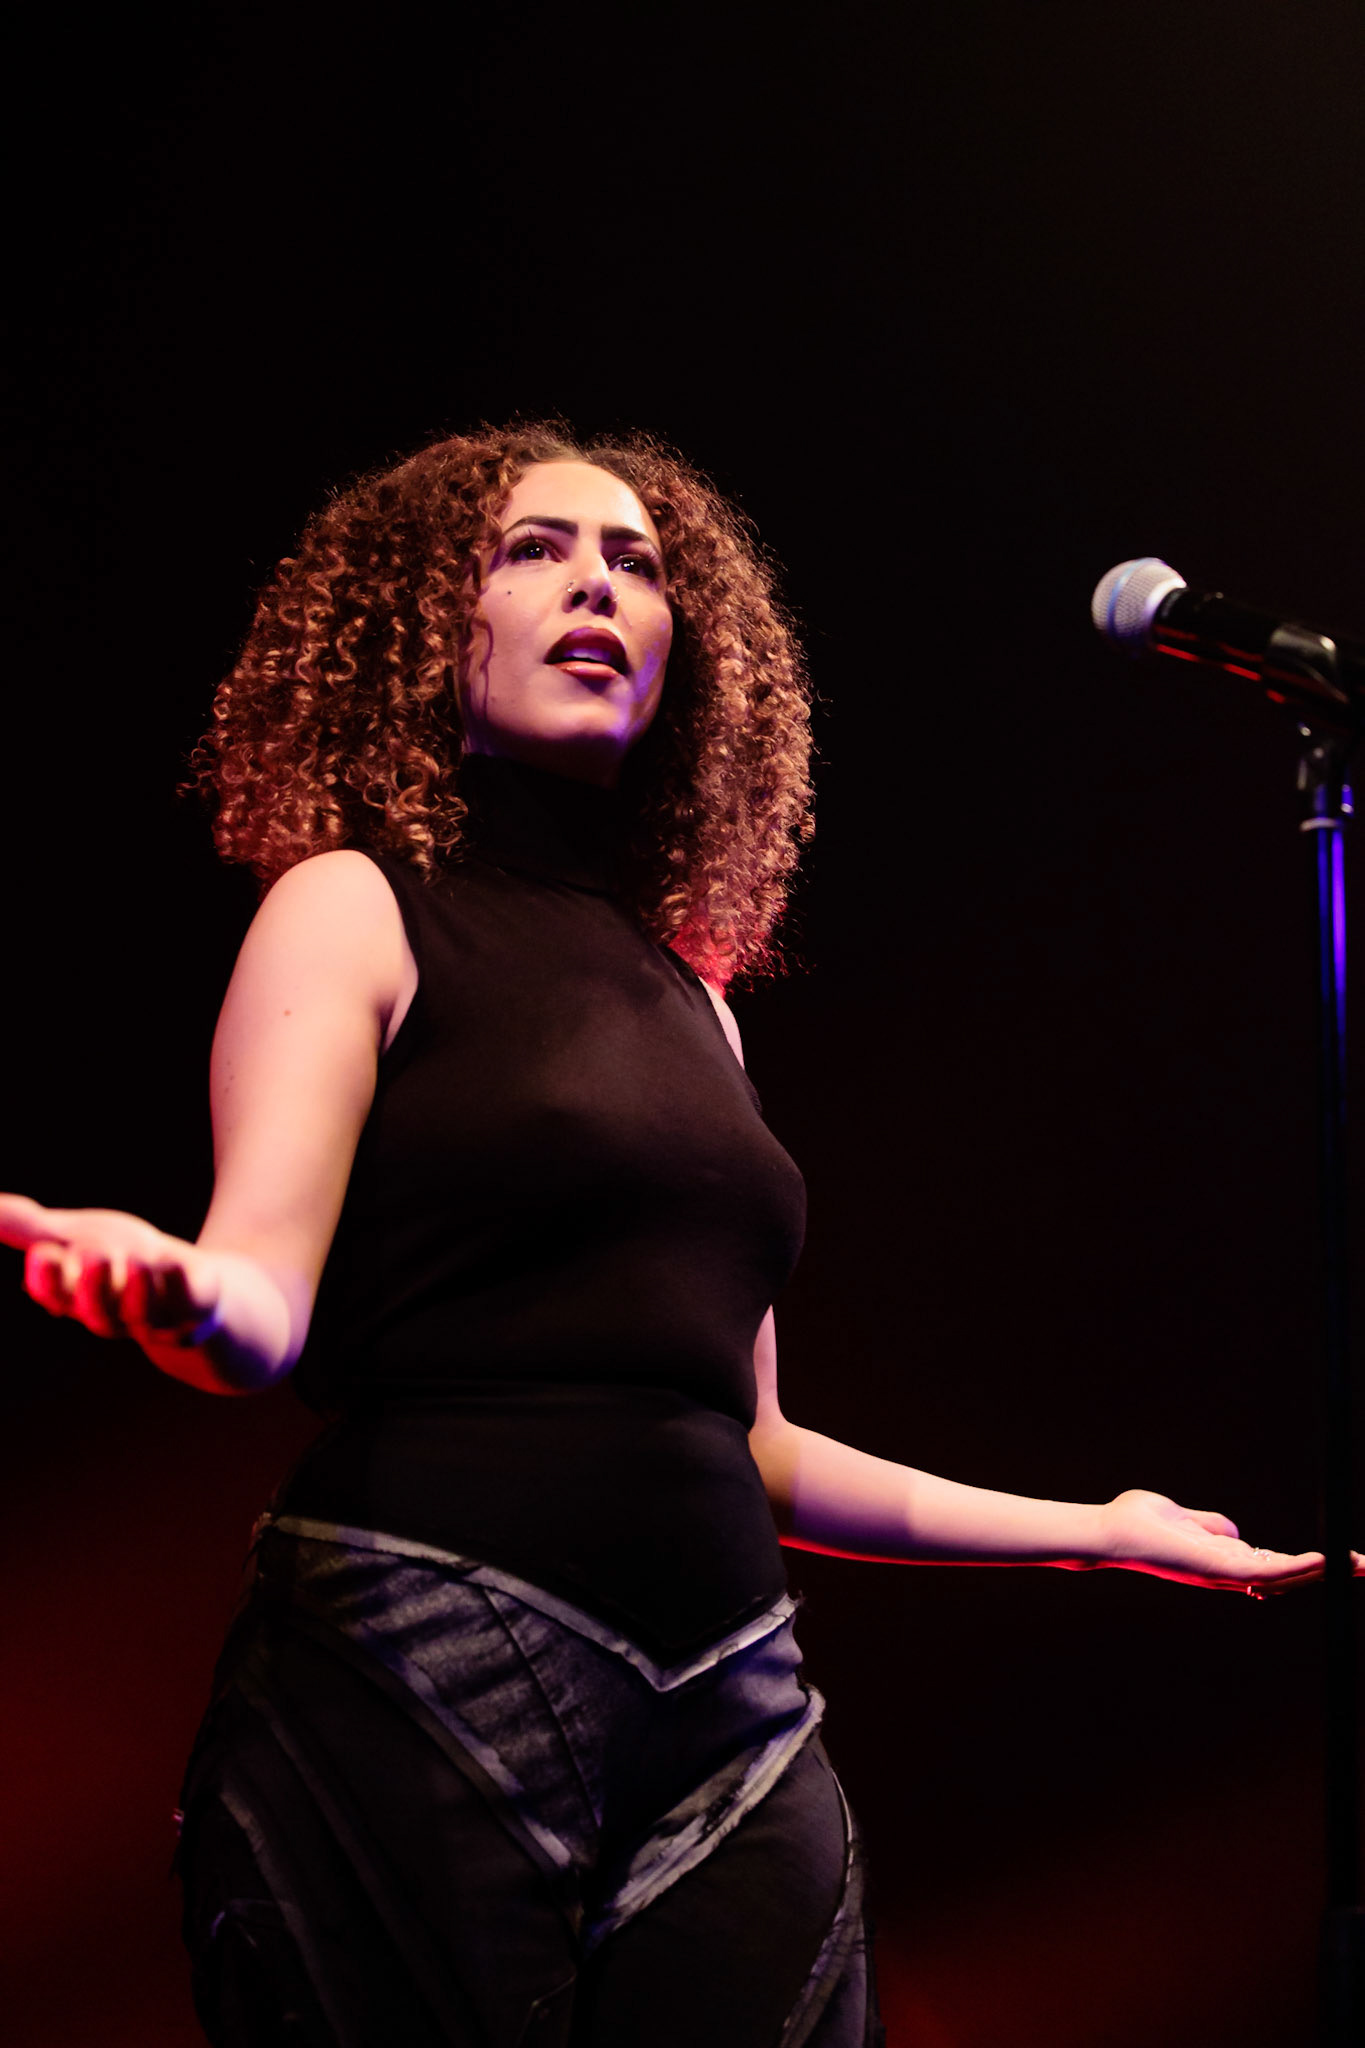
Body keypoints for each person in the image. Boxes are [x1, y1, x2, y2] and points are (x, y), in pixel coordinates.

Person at [0, 423, 1337, 2048]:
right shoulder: (354, 905)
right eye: (536, 550)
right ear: (431, 622)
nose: (600, 587)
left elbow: (752, 1453)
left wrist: (1096, 1524)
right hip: (427, 1656)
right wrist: (171, 1292)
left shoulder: (691, 993)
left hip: (728, 1697)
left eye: (635, 564)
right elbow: (259, 1305)